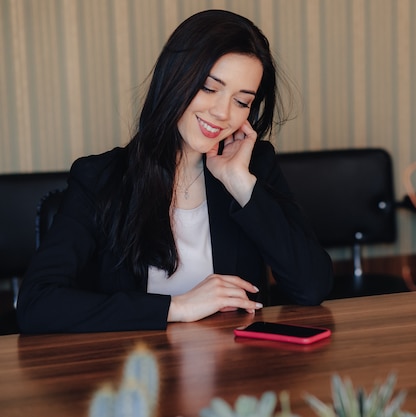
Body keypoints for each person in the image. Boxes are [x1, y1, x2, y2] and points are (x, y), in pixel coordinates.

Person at [17, 9, 333, 333]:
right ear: (175, 78)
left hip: (237, 372)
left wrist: (239, 183)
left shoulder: (253, 167)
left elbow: (312, 287)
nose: (223, 113)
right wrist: (178, 306)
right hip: (137, 374)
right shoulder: (100, 178)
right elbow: (36, 304)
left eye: (242, 101)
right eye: (210, 89)